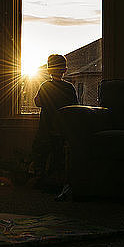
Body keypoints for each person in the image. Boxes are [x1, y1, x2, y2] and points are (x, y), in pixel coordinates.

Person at [31, 54, 78, 192]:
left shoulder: (46, 86)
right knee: (60, 155)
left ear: (48, 70)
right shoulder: (69, 88)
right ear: (65, 70)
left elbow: (37, 102)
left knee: (41, 152)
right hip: (63, 127)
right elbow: (75, 106)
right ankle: (58, 180)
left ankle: (41, 178)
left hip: (46, 127)